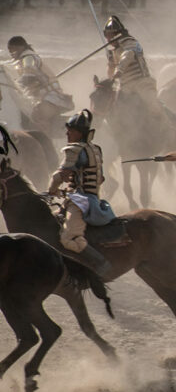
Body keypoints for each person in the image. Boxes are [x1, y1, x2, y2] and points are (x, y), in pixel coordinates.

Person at [47, 109, 115, 277]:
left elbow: (60, 175)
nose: (67, 133)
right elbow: (101, 179)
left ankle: (102, 266)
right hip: (85, 198)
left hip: (80, 202)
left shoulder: (75, 150)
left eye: (71, 130)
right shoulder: (95, 149)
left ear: (80, 133)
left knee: (69, 239)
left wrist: (52, 190)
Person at [6, 36, 74, 132]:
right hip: (41, 98)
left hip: (51, 98)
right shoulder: (24, 59)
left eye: (11, 50)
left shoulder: (28, 58)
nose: (11, 54)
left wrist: (13, 84)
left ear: (19, 47)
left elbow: (28, 78)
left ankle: (48, 142)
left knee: (36, 117)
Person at [103, 16, 164, 117]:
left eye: (110, 35)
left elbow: (128, 55)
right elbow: (110, 75)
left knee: (154, 107)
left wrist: (119, 70)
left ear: (117, 34)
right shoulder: (114, 51)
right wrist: (111, 64)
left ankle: (167, 129)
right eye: (107, 35)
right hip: (124, 87)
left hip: (142, 83)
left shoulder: (130, 42)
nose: (108, 38)